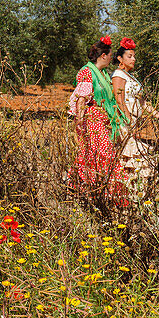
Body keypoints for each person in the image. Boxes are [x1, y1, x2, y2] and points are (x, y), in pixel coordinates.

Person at [69, 36, 129, 206]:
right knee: (98, 156)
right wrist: (80, 124)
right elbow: (81, 100)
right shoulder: (87, 72)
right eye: (110, 55)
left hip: (103, 122)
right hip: (92, 122)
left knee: (102, 156)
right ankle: (93, 193)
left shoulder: (103, 74)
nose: (112, 58)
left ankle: (103, 195)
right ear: (103, 56)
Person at [112, 37, 159, 179]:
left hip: (134, 121)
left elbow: (143, 102)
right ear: (120, 58)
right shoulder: (119, 75)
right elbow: (119, 99)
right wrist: (128, 120)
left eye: (134, 56)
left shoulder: (131, 77)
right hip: (124, 121)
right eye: (129, 56)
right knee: (129, 155)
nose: (133, 59)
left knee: (135, 156)